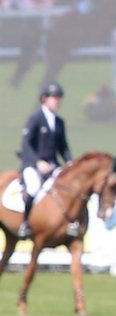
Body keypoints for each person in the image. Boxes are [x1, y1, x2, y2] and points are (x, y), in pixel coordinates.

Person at [17, 82, 72, 239]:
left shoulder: (59, 122)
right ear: (45, 99)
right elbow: (26, 144)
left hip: (53, 165)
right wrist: (37, 162)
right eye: (54, 98)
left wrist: (70, 163)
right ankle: (25, 223)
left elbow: (63, 147)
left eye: (59, 98)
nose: (57, 101)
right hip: (33, 165)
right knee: (33, 188)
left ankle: (67, 223)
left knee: (67, 186)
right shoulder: (35, 118)